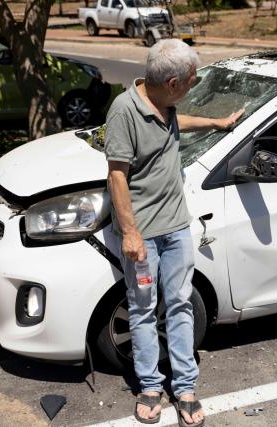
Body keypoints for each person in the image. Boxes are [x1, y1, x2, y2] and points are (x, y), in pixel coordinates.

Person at [104, 39, 244, 426]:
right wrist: (131, 234)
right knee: (144, 308)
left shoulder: (165, 105)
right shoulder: (123, 111)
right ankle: (150, 386)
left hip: (176, 228)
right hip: (143, 235)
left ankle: (185, 387)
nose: (193, 86)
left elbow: (177, 123)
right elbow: (117, 175)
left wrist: (217, 124)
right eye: (191, 81)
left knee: (180, 303)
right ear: (171, 81)